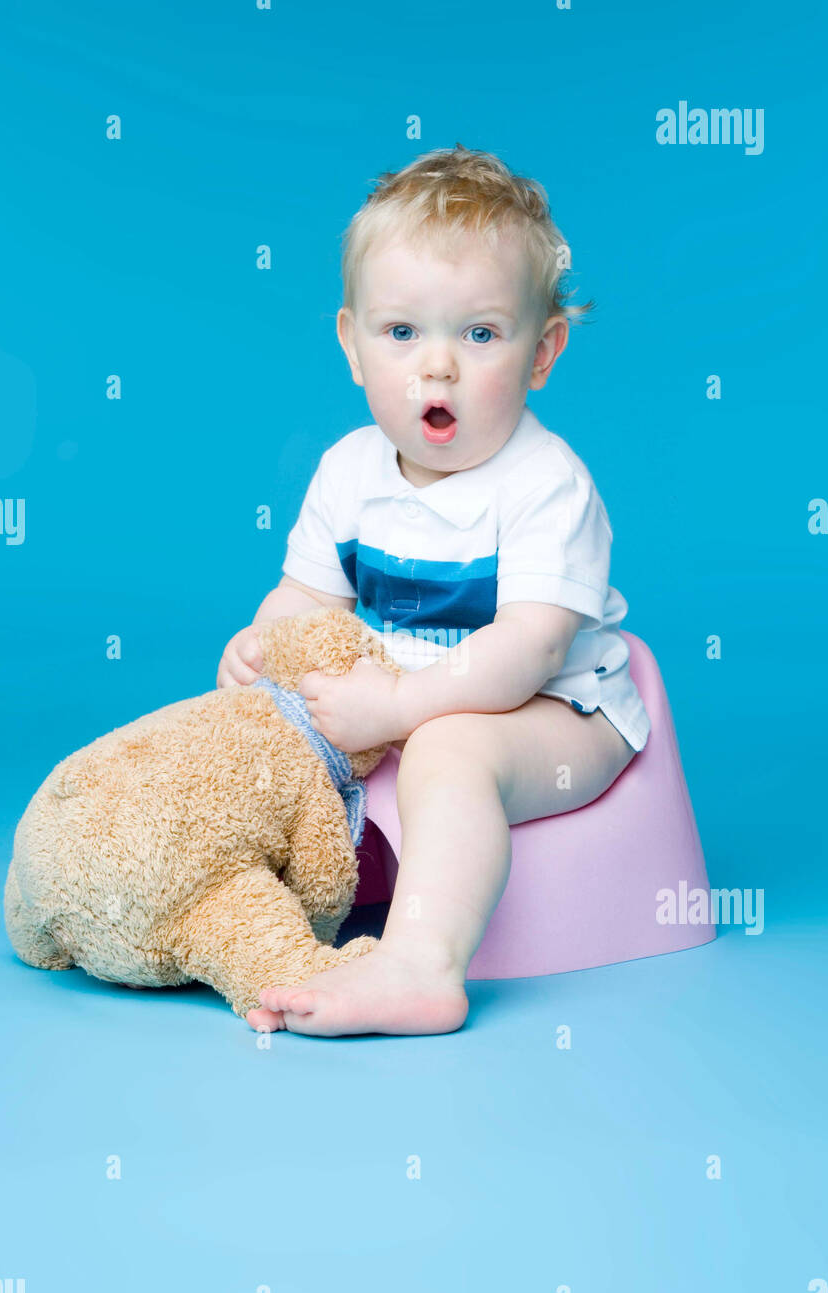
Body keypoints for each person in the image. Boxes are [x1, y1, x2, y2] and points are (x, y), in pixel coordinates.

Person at [217, 144, 650, 1037]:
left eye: (481, 333)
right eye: (402, 332)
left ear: (543, 351)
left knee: (451, 747)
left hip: (557, 714)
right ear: (352, 344)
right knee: (260, 733)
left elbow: (527, 652)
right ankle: (229, 920)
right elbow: (307, 598)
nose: (437, 367)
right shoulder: (349, 469)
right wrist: (263, 645)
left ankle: (420, 965)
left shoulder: (547, 486)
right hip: (404, 698)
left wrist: (401, 706)